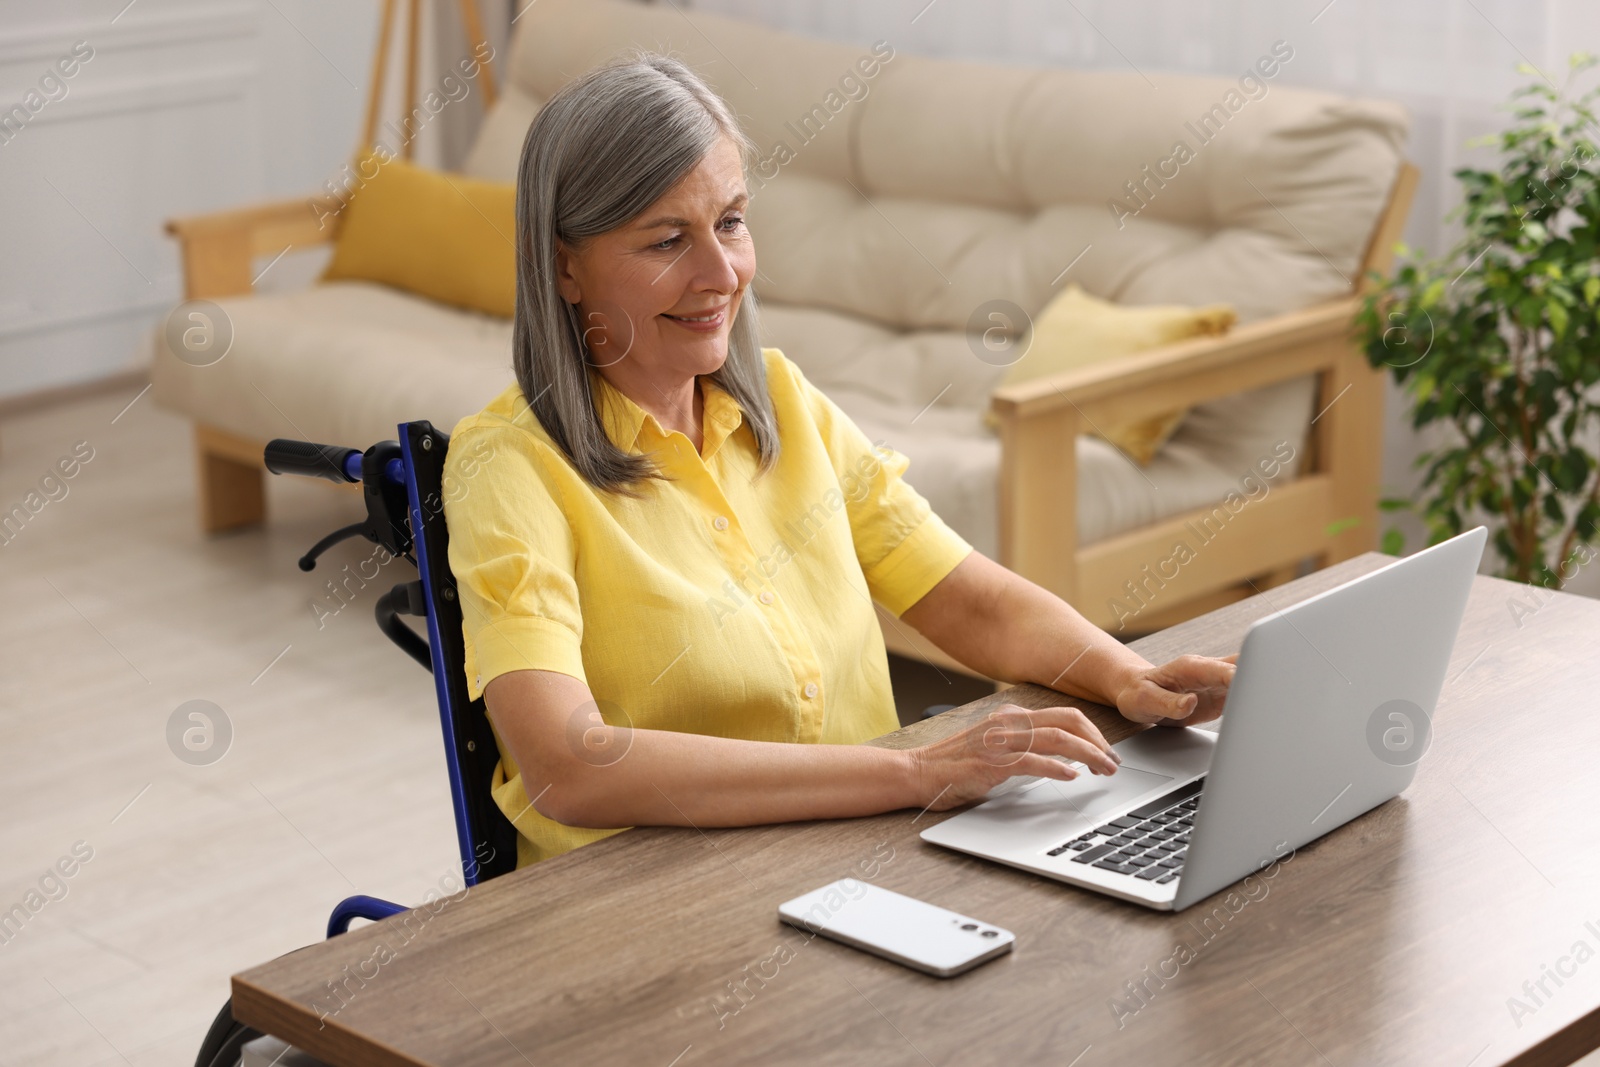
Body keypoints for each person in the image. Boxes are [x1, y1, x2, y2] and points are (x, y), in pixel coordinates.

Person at [444, 53, 1236, 868]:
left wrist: (1128, 677)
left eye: (731, 222)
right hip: (651, 900)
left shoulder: (784, 403)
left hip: (857, 853)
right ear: (565, 265)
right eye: (667, 240)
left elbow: (970, 603)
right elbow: (567, 766)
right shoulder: (510, 465)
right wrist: (913, 771)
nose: (722, 275)